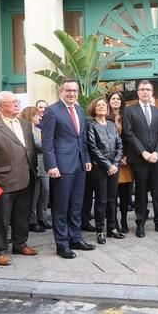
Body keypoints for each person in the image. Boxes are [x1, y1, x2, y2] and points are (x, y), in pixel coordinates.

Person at [0, 91, 39, 266]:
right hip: (4, 179)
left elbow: (30, 150)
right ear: (0, 106)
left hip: (27, 176)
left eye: (16, 101)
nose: (16, 104)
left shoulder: (25, 124)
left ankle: (20, 243)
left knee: (23, 213)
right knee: (1, 218)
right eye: (11, 102)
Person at [41, 79, 94, 258]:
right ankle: (62, 244)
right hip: (61, 166)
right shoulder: (52, 111)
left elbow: (82, 138)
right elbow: (47, 141)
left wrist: (86, 158)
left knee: (76, 205)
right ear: (61, 91)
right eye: (68, 90)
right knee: (61, 206)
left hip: (79, 164)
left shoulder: (79, 110)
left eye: (74, 91)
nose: (72, 93)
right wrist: (51, 165)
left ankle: (76, 238)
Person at [123, 80, 158, 238]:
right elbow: (129, 134)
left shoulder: (157, 111)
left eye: (148, 90)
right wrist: (143, 152)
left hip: (156, 158)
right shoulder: (129, 111)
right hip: (140, 159)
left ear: (152, 93)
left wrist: (157, 152)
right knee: (141, 193)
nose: (145, 92)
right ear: (138, 92)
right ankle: (140, 223)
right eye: (142, 89)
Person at [87, 97, 125, 244]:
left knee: (112, 199)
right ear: (94, 108)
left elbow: (119, 145)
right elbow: (93, 147)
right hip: (99, 168)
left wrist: (115, 163)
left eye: (104, 104)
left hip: (114, 167)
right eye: (99, 105)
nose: (102, 106)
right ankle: (100, 231)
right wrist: (107, 165)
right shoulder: (91, 125)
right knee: (101, 200)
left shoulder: (111, 124)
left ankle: (112, 228)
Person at [20, 106, 52, 233]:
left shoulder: (38, 129)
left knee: (45, 192)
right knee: (35, 194)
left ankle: (42, 218)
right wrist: (50, 144)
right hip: (35, 165)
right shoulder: (27, 130)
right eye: (37, 115)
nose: (40, 117)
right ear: (31, 116)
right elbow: (38, 145)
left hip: (44, 165)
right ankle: (32, 221)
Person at [108, 91, 134, 233]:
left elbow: (132, 137)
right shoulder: (105, 117)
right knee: (112, 194)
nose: (116, 101)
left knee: (126, 194)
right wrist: (116, 158)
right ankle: (114, 221)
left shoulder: (127, 116)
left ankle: (124, 220)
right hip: (111, 161)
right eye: (113, 98)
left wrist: (128, 156)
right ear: (109, 101)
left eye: (118, 98)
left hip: (127, 161)